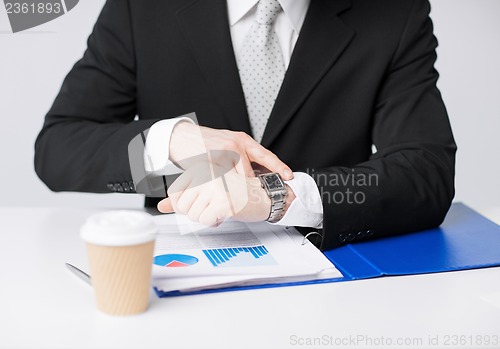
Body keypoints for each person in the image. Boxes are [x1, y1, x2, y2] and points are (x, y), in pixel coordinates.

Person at [34, 0, 456, 251]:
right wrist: (170, 139)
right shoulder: (143, 6)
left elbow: (427, 172)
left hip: (329, 274)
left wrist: (283, 196)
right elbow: (58, 148)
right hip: (182, 272)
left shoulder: (393, 11)